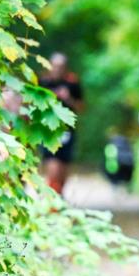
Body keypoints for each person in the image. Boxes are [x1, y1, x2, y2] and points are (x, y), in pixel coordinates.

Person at [39, 52, 84, 194]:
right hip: (48, 130)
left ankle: (58, 195)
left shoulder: (72, 83)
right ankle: (52, 198)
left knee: (63, 168)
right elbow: (32, 104)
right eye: (55, 66)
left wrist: (68, 98)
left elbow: (81, 107)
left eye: (61, 67)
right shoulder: (43, 81)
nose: (58, 69)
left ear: (66, 68)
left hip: (67, 131)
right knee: (53, 166)